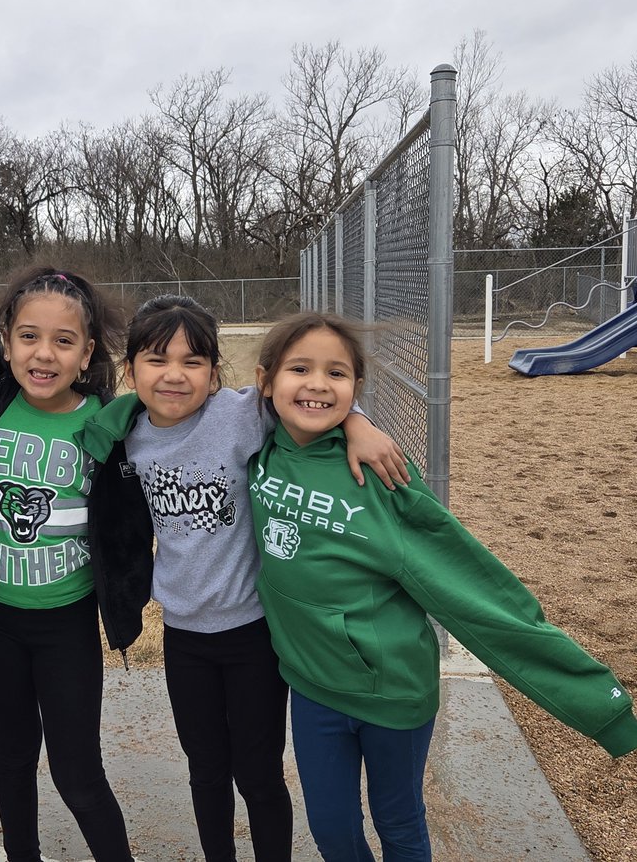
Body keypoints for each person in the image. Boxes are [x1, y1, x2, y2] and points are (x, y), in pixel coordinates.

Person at [248, 311, 637, 861]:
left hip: (392, 691)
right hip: (311, 687)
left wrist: (597, 706)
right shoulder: (258, 446)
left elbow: (473, 593)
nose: (318, 384)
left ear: (356, 389)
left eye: (336, 374)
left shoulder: (380, 477)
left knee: (399, 824)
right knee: (332, 829)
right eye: (300, 368)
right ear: (266, 381)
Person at [80, 295, 408, 862]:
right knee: (206, 770)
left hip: (253, 633)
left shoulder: (237, 416)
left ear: (215, 375)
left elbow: (306, 398)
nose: (175, 374)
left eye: (193, 361)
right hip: (185, 636)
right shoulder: (125, 437)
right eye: (157, 360)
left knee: (257, 772)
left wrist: (357, 422)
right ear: (131, 370)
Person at [0, 267, 135, 862]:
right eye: (29, 336)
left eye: (64, 342)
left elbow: (205, 406)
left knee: (77, 772)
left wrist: (352, 420)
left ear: (87, 352)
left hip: (67, 625)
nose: (44, 354)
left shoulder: (109, 423)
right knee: (12, 759)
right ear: (6, 340)